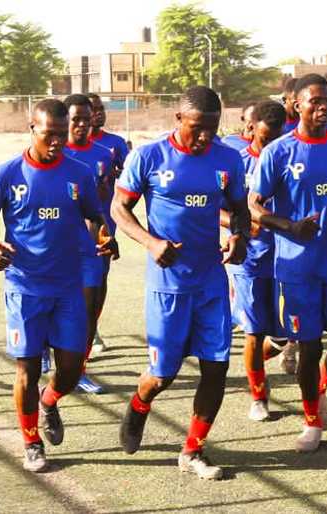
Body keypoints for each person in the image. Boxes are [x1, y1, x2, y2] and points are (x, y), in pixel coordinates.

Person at [0, 99, 116, 473]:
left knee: (69, 368)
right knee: (27, 369)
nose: (57, 143)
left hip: (68, 286)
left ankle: (49, 402)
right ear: (31, 128)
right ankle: (31, 441)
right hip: (24, 287)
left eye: (61, 135)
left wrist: (104, 237)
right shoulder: (6, 174)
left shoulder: (79, 173)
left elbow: (95, 216)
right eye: (49, 135)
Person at [112, 86, 249, 479]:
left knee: (216, 367)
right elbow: (118, 208)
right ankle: (139, 405)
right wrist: (151, 242)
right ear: (179, 120)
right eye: (197, 128)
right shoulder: (150, 157)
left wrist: (238, 235)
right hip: (168, 284)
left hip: (210, 281)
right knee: (163, 376)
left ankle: (193, 450)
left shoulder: (227, 159)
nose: (205, 136)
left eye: (211, 127)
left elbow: (238, 207)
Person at [248, 73, 327, 452]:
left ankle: (320, 389)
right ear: (296, 105)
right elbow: (253, 205)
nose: (324, 106)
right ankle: (312, 421)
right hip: (296, 268)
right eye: (315, 100)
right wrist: (289, 226)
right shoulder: (278, 152)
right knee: (309, 347)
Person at [226, 100, 291, 421]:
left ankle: (252, 368)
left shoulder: (288, 155)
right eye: (264, 138)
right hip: (250, 259)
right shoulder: (234, 160)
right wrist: (239, 225)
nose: (269, 144)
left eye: (275, 137)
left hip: (287, 256)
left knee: (284, 335)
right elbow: (214, 206)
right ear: (252, 130)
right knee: (254, 331)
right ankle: (258, 396)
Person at [61, 94, 118, 395]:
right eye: (76, 119)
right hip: (59, 246)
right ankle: (47, 351)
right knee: (59, 306)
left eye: (88, 117)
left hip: (96, 242)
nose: (83, 124)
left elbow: (107, 198)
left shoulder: (104, 154)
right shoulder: (55, 153)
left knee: (91, 307)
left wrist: (107, 232)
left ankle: (79, 369)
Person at [86, 92, 130, 357]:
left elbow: (129, 177)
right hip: (74, 226)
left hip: (104, 223)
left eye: (101, 108)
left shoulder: (113, 145)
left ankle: (93, 328)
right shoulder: (63, 146)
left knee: (99, 280)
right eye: (93, 109)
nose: (98, 113)